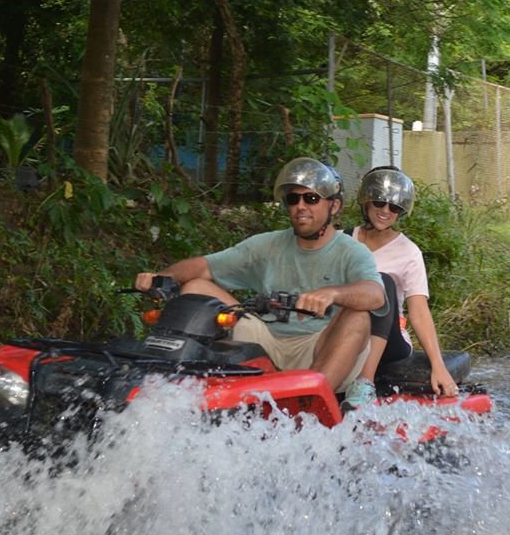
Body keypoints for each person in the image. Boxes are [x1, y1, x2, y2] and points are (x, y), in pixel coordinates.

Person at [134, 157, 386, 393]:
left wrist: (333, 293)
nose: (300, 207)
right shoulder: (266, 245)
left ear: (334, 205)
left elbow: (375, 295)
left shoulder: (351, 251)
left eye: (311, 198)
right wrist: (160, 277)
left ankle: (311, 398)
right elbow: (203, 266)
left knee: (358, 317)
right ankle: (177, 385)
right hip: (266, 341)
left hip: (318, 347)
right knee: (196, 286)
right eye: (292, 199)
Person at [342, 165, 458, 408]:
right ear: (366, 201)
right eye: (379, 203)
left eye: (394, 207)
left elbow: (419, 311)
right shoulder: (342, 241)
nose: (385, 211)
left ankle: (365, 382)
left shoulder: (409, 252)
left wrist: (438, 365)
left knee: (380, 282)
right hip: (345, 334)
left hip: (389, 340)